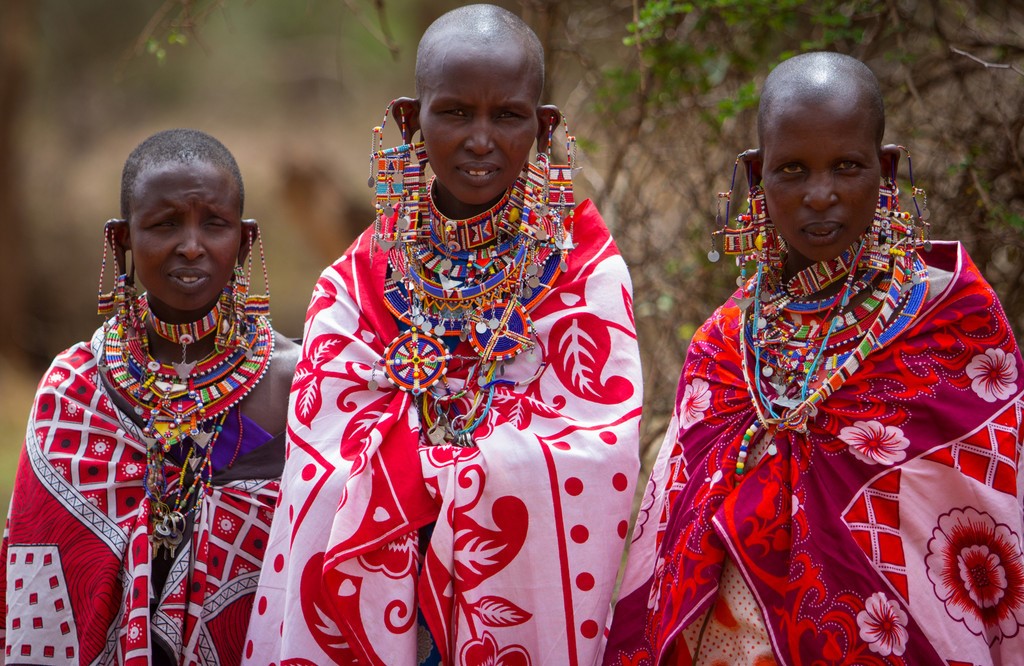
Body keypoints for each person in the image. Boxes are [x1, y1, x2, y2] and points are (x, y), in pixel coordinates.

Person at [243, 4, 642, 664]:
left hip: (510, 595)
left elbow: (595, 448)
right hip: (383, 593)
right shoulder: (355, 283)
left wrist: (433, 467)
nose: (480, 139)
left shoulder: (585, 271)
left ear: (544, 127)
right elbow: (323, 450)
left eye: (508, 115)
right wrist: (452, 470)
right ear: (410, 121)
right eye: (455, 112)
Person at [604, 52, 1024, 664]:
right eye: (793, 170)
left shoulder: (951, 330)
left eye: (847, 167)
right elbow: (672, 543)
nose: (820, 194)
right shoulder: (723, 344)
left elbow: (994, 534)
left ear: (885, 169)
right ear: (755, 177)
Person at [0, 128, 300, 665]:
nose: (191, 245)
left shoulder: (294, 382)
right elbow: (41, 573)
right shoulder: (76, 387)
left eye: (214, 223)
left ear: (246, 239)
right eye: (164, 225)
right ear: (121, 241)